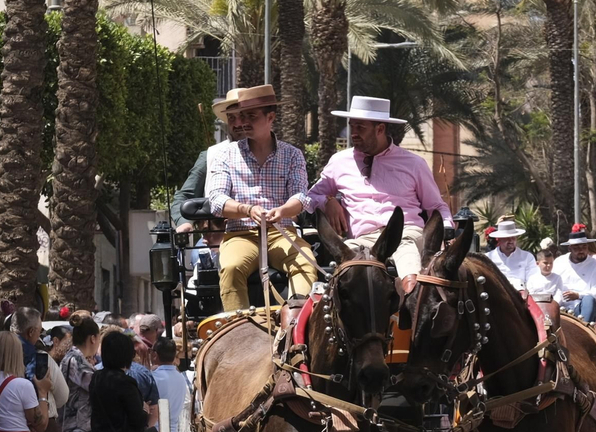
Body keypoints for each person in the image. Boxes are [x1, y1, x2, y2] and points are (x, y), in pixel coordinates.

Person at [302, 95, 452, 279]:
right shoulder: (339, 162)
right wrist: (328, 201)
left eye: (361, 128)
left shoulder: (414, 163)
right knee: (343, 274)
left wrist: (446, 230)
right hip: (362, 242)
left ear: (380, 129)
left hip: (406, 234)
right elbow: (309, 198)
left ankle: (411, 295)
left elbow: (436, 207)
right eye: (352, 126)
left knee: (408, 263)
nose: (353, 133)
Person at [203, 84, 319, 311]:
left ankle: (298, 325)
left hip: (281, 233)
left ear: (271, 117)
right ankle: (238, 328)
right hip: (240, 235)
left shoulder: (292, 154)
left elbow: (301, 197)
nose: (243, 122)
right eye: (241, 116)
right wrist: (247, 210)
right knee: (232, 267)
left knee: (306, 262)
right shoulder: (225, 155)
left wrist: (282, 211)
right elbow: (216, 199)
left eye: (251, 116)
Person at [551, 225, 596, 323]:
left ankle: (584, 330)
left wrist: (578, 295)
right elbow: (553, 284)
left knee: (589, 300)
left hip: (583, 307)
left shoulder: (595, 265)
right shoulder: (559, 262)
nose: (581, 250)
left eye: (584, 247)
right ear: (570, 248)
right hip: (561, 306)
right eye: (576, 248)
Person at [486, 217, 537, 295]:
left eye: (513, 238)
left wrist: (527, 291)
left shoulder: (527, 257)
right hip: (496, 294)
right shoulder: (488, 258)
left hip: (521, 295)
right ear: (499, 239)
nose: (510, 241)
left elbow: (533, 278)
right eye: (506, 238)